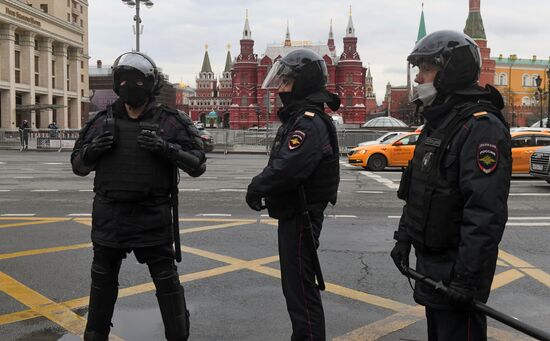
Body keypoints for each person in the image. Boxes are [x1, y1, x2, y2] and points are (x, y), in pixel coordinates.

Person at [71, 51, 206, 341]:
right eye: (123, 81)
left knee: (167, 285)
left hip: (152, 217)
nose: (129, 87)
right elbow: (78, 165)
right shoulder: (100, 121)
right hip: (110, 217)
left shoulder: (170, 121)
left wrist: (165, 149)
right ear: (117, 84)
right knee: (102, 285)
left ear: (150, 84)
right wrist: (93, 151)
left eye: (137, 81)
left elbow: (198, 164)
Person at [390, 30, 512, 341]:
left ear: (451, 70)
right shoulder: (438, 123)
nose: (418, 78)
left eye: (426, 69)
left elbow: (484, 213)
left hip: (457, 273)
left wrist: (466, 279)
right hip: (433, 266)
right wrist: (404, 238)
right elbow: (417, 188)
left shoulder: (481, 127)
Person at [246, 49, 341, 341]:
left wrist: (258, 186)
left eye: (286, 83)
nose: (280, 89)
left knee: (301, 289)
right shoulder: (301, 117)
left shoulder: (308, 121)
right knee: (296, 286)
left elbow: (288, 167)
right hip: (293, 213)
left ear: (302, 83)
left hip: (302, 214)